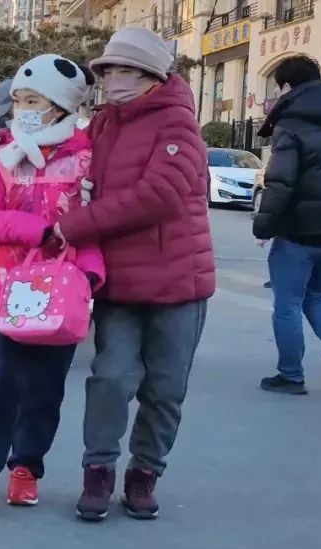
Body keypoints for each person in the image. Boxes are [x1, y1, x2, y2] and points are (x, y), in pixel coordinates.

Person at [53, 28, 214, 521]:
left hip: (179, 280)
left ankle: (145, 473)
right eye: (108, 71)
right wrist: (11, 141)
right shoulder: (104, 123)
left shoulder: (178, 123)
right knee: (110, 378)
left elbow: (159, 196)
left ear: (152, 76)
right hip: (119, 280)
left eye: (126, 70)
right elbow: (66, 159)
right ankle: (97, 471)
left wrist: (75, 225)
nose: (114, 80)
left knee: (165, 389)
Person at [0, 54, 105, 516]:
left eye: (33, 101)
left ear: (61, 106)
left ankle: (26, 466)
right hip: (4, 286)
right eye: (18, 100)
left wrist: (91, 271)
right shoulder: (2, 155)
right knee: (1, 375)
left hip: (62, 291)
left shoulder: (88, 158)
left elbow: (95, 227)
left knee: (45, 384)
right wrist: (35, 231)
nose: (22, 109)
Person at [251, 55, 321, 396]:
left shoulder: (291, 123)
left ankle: (291, 375)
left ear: (286, 86)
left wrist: (263, 225)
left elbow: (280, 182)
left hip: (299, 231)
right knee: (319, 296)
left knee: (288, 304)